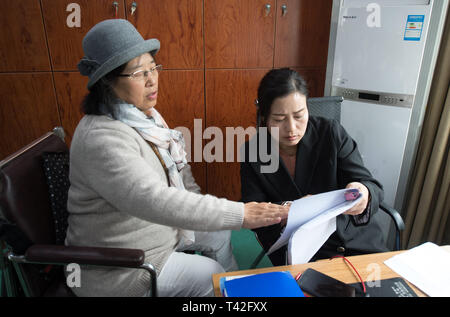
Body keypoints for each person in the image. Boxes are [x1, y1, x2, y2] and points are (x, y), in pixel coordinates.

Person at [66, 19, 288, 297]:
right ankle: (220, 290)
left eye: (152, 68)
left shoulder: (145, 118)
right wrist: (241, 214)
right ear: (107, 82)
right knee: (208, 275)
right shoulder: (101, 138)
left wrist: (217, 217)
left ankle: (233, 290)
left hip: (154, 234)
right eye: (138, 73)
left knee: (219, 233)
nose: (152, 79)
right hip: (119, 267)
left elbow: (180, 178)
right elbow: (156, 200)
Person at [240, 68, 389, 266]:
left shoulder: (331, 133)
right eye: (279, 119)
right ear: (264, 118)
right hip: (301, 252)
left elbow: (371, 186)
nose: (291, 128)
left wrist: (364, 192)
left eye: (299, 115)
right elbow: (252, 212)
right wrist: (289, 212)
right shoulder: (254, 152)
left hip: (355, 242)